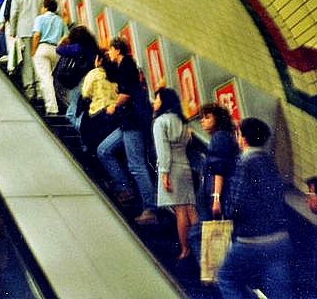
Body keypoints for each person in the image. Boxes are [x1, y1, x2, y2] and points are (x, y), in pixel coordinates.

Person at [218, 117, 292, 299]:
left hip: (251, 240)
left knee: (227, 277)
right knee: (278, 291)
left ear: (242, 138)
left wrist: (226, 213)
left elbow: (236, 203)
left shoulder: (244, 163)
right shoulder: (270, 162)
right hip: (279, 239)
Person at [96, 37, 157, 224]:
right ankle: (126, 190)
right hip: (127, 122)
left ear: (117, 50)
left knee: (136, 164)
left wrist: (114, 105)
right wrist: (100, 65)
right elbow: (113, 76)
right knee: (104, 150)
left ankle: (150, 209)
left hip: (134, 121)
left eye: (111, 51)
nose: (109, 54)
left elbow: (127, 92)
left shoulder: (128, 65)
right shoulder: (122, 66)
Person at [152, 87, 197, 260]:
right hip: (184, 165)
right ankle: (200, 247)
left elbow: (163, 151)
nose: (155, 102)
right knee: (190, 209)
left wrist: (164, 174)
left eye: (157, 99)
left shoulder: (161, 122)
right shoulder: (182, 120)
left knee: (179, 211)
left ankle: (185, 249)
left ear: (163, 101)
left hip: (171, 169)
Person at [196, 103, 238, 221]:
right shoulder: (225, 136)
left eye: (207, 117)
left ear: (218, 119)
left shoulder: (219, 138)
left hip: (218, 195)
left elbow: (219, 171)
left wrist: (216, 199)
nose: (202, 121)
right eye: (202, 118)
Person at [55, 25, 98, 129]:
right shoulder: (92, 47)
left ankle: (82, 132)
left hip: (79, 81)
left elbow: (59, 49)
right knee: (79, 109)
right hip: (90, 79)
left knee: (71, 112)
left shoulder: (78, 48)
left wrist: (64, 39)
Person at [79, 48, 118, 158]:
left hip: (98, 113)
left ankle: (88, 150)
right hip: (114, 111)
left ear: (99, 60)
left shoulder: (94, 73)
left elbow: (85, 93)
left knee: (85, 125)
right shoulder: (116, 73)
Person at [30, 0, 66, 116]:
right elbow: (66, 37)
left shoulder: (40, 19)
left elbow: (36, 35)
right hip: (56, 50)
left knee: (45, 78)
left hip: (42, 48)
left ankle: (51, 108)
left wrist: (33, 51)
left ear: (45, 8)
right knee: (51, 78)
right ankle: (54, 102)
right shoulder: (60, 21)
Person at [8, 0, 39, 99]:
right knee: (36, 59)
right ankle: (40, 90)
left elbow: (14, 14)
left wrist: (13, 31)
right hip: (37, 31)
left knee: (27, 60)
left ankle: (29, 90)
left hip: (24, 31)